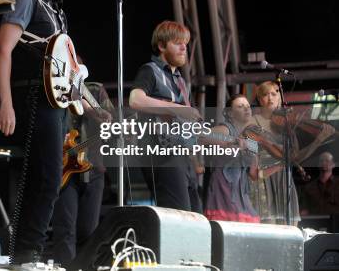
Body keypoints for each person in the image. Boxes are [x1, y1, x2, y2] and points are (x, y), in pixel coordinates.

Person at [0, 0, 76, 264]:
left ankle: (24, 253)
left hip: (55, 103)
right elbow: (3, 50)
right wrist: (6, 102)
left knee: (45, 178)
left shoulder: (56, 9)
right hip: (33, 97)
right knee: (46, 178)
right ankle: (28, 253)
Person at [128, 20, 203, 212]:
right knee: (180, 218)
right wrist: (176, 108)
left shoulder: (180, 81)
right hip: (161, 154)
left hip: (183, 158)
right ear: (162, 46)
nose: (183, 47)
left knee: (197, 218)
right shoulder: (150, 70)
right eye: (177, 42)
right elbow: (135, 100)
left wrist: (195, 160)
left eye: (185, 43)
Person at [51, 66, 113, 266]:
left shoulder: (95, 90)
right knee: (65, 229)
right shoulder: (54, 90)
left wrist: (103, 119)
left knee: (89, 231)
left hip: (93, 168)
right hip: (64, 170)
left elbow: (111, 124)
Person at [249, 81, 334, 225]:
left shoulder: (285, 124)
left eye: (274, 94)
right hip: (264, 179)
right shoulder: (253, 121)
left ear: (279, 98)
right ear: (259, 99)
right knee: (268, 227)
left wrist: (318, 141)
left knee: (290, 227)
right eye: (265, 94)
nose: (270, 98)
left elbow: (295, 158)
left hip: (284, 179)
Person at [204, 94, 260, 223]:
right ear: (230, 113)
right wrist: (231, 141)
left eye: (247, 106)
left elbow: (253, 174)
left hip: (242, 194)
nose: (246, 109)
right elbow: (200, 137)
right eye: (240, 106)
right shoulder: (226, 129)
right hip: (223, 191)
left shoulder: (250, 136)